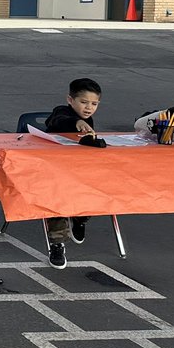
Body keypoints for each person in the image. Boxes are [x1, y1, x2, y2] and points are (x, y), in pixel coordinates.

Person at [43, 77, 102, 270]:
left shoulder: (89, 119)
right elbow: (57, 120)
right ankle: (57, 243)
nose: (89, 108)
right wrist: (76, 122)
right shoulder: (61, 112)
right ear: (70, 100)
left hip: (78, 168)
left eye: (94, 104)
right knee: (58, 198)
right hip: (54, 169)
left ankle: (79, 218)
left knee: (98, 186)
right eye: (84, 102)